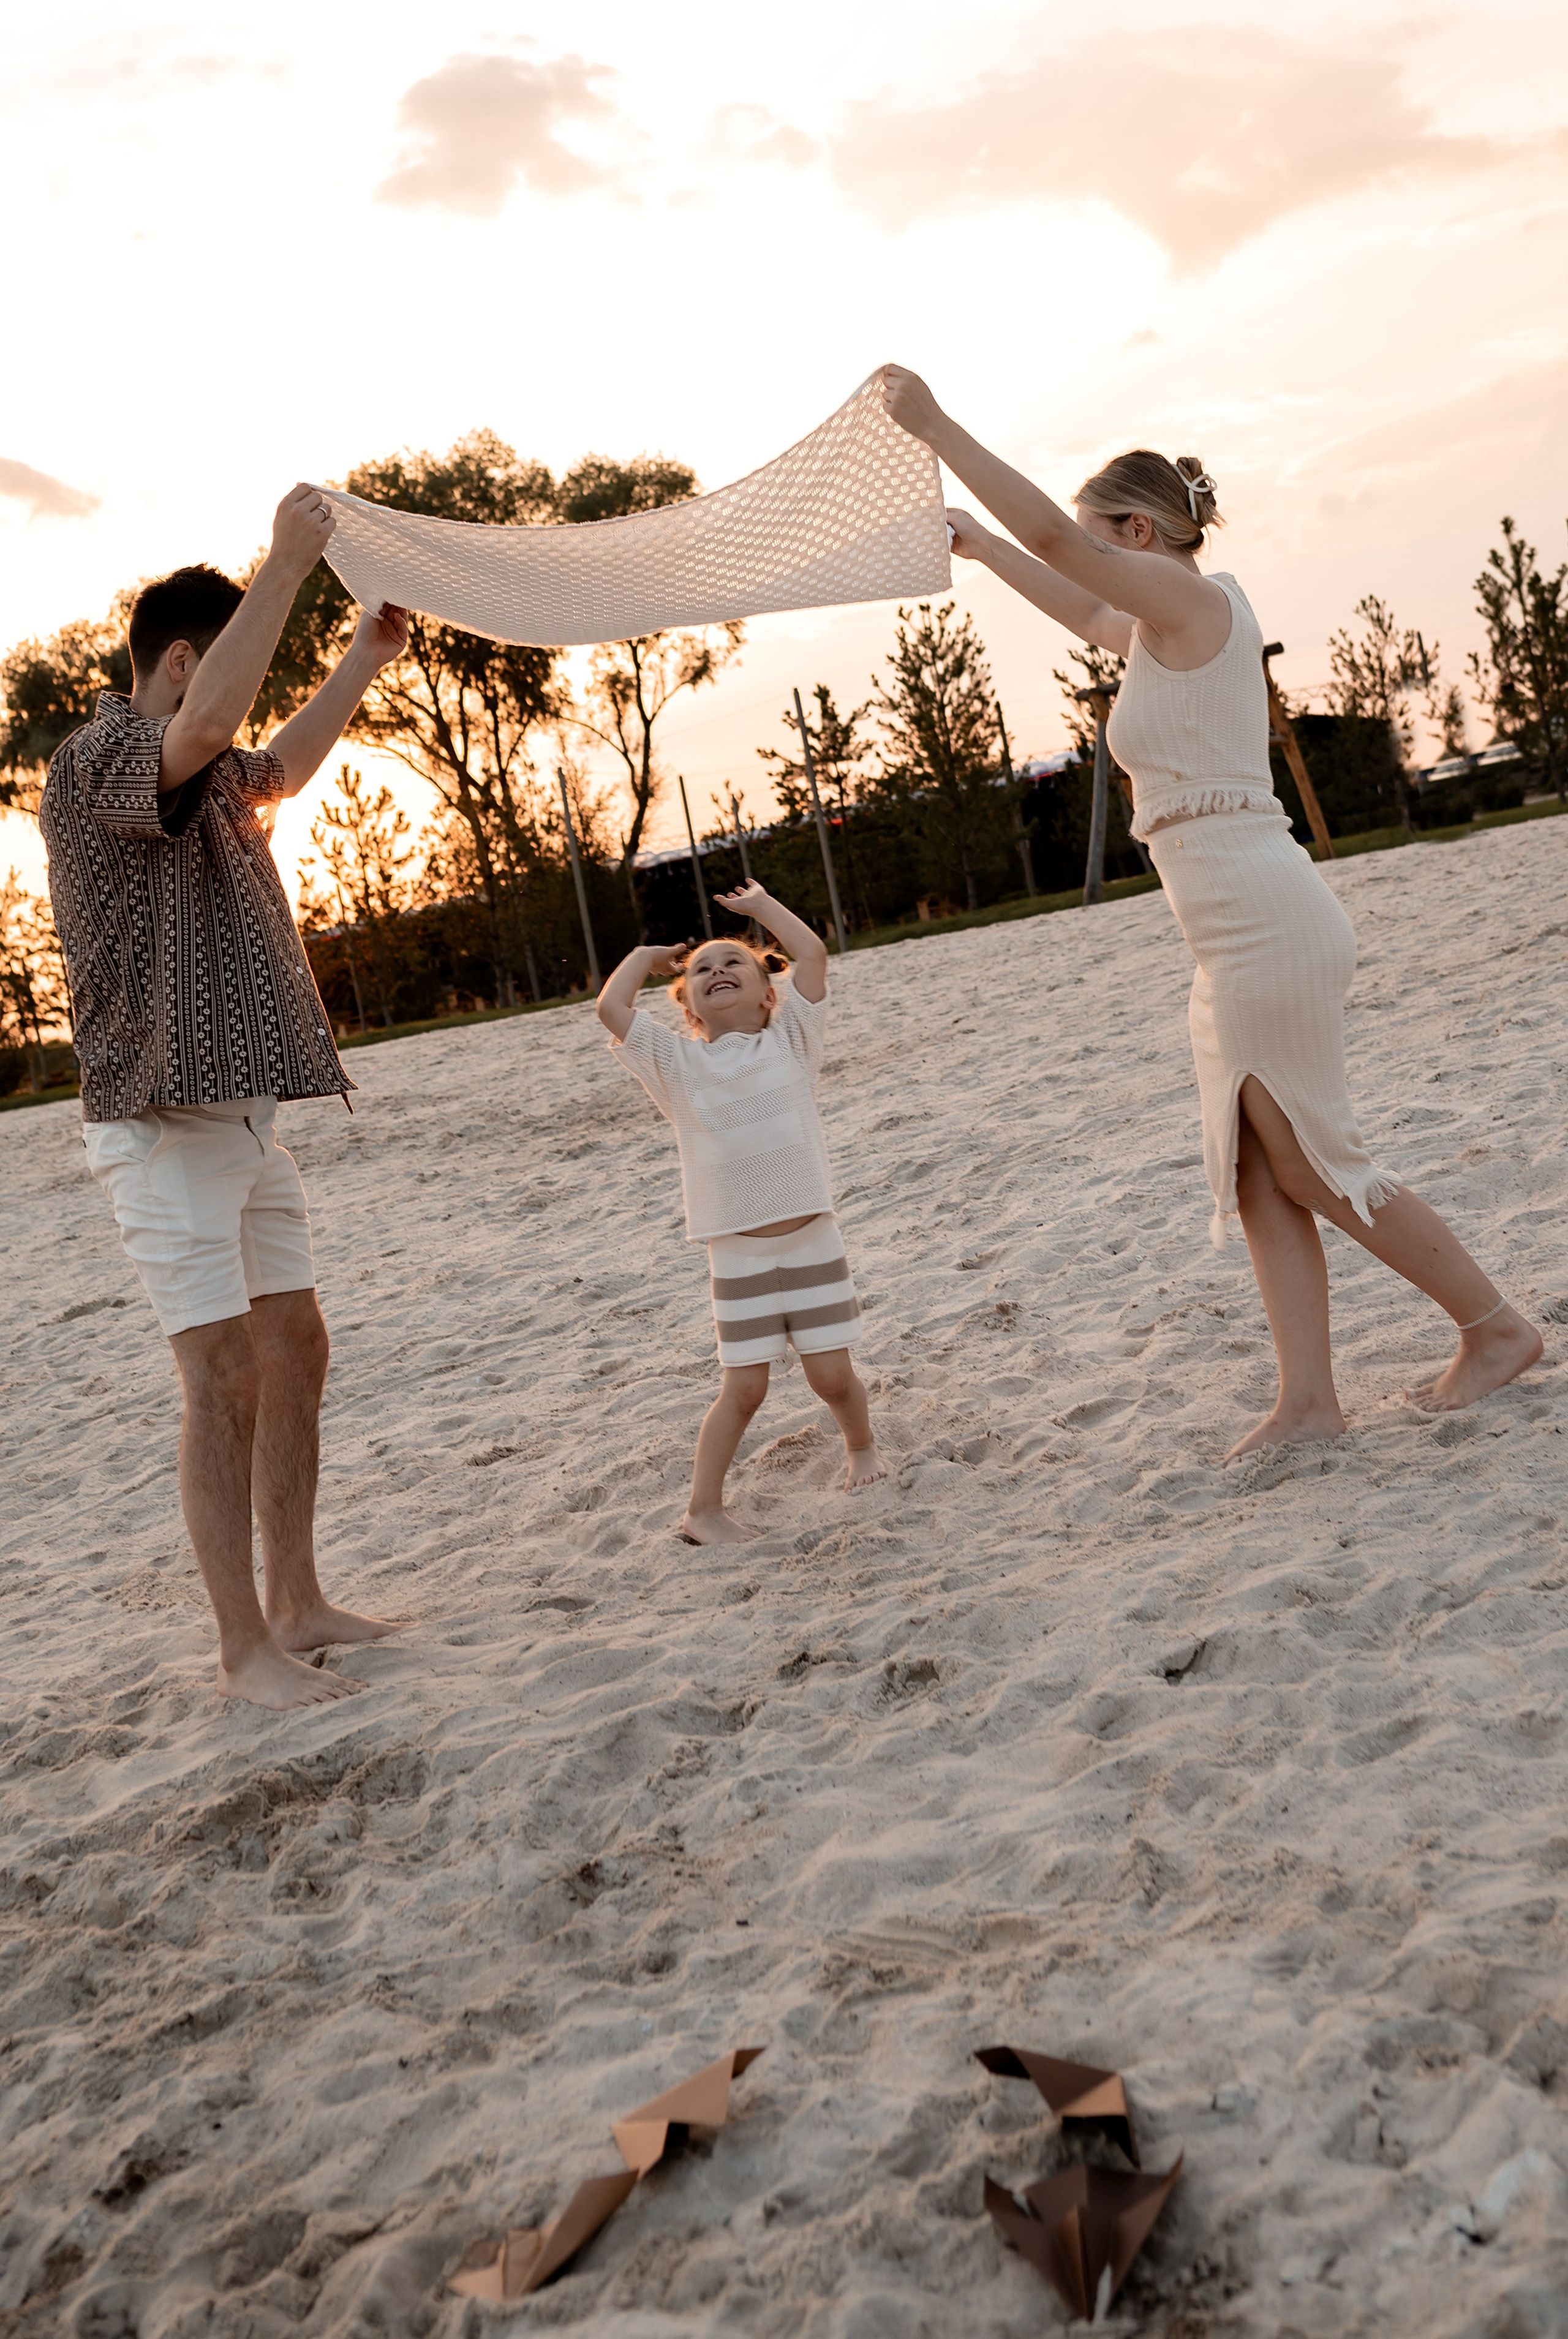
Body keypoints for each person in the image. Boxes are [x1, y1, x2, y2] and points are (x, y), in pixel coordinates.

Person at [880, 365, 1542, 1460]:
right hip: (1227, 932)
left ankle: (1497, 1328)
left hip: (1264, 921)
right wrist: (978, 548)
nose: (1097, 562)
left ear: (1140, 531)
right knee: (1257, 1169)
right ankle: (1309, 1399)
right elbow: (1084, 598)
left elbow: (1063, 544)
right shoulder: (1160, 627)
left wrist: (937, 425)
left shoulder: (1205, 597)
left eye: (1108, 540)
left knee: (1319, 1160)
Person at [40, 486, 414, 1706]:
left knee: (294, 1346)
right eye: (234, 661)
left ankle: (297, 1598)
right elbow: (207, 729)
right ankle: (242, 1644)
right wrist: (288, 565)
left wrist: (361, 657)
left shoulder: (203, 775)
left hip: (246, 1120)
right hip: (157, 1128)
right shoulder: (98, 755)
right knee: (220, 1379)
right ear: (189, 657)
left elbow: (278, 764)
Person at [597, 881, 884, 1542]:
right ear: (691, 1010)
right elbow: (611, 1008)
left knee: (832, 1375)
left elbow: (811, 954)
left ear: (766, 993)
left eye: (734, 963)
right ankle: (703, 1511)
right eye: (701, 969)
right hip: (738, 1253)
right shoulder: (675, 1062)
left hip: (811, 1239)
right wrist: (645, 956)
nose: (716, 970)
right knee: (744, 1389)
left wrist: (759, 910)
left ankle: (862, 1447)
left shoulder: (791, 1041)